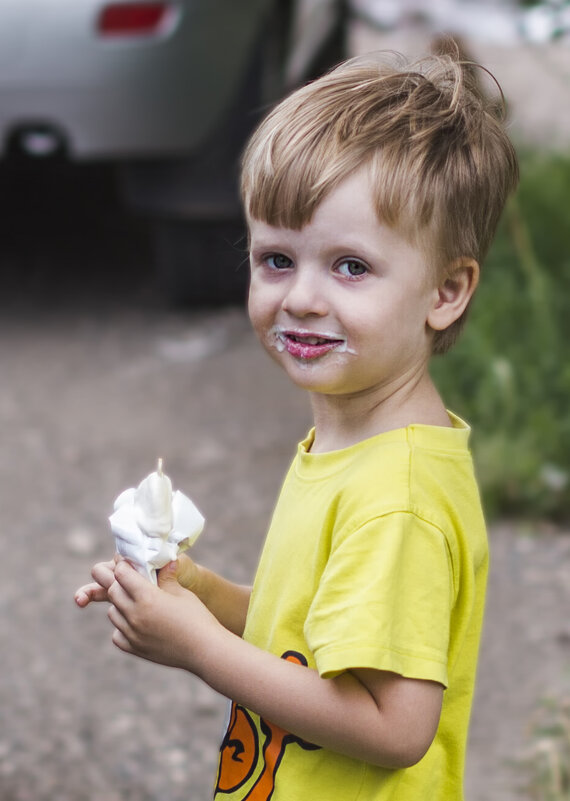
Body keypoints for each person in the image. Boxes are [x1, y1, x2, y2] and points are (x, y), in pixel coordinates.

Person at [75, 47, 519, 800]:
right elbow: (320, 642)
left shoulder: (397, 499)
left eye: (350, 266)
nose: (304, 297)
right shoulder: (355, 445)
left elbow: (393, 726)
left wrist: (201, 649)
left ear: (446, 291)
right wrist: (201, 596)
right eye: (277, 258)